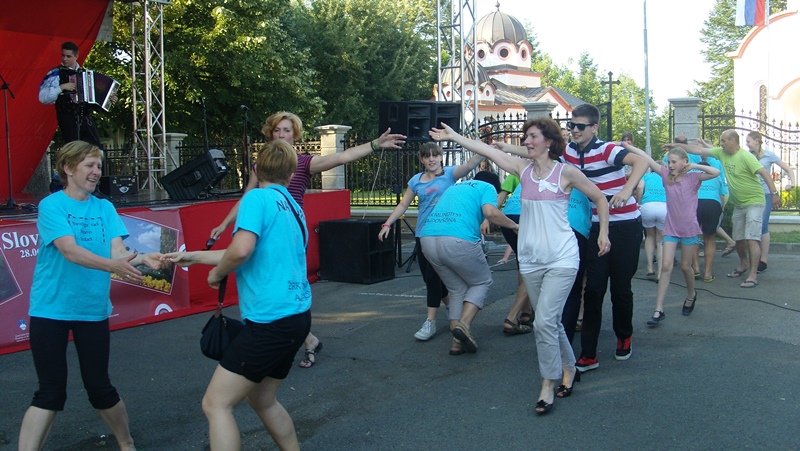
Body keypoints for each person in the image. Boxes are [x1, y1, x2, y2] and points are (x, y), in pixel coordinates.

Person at [430, 118, 610, 415]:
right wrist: (454, 136)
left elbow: (600, 198)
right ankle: (569, 367)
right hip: (530, 258)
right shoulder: (522, 170)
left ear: (548, 141)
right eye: (525, 137)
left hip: (562, 257)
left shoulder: (566, 172)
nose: (526, 141)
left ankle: (548, 382)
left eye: (532, 136)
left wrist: (603, 232)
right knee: (550, 322)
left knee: (543, 322)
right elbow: (486, 150)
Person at [211, 111, 405, 368]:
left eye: (287, 130)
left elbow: (341, 157)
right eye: (277, 130)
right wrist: (224, 223)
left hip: (289, 234)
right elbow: (247, 196)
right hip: (267, 232)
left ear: (295, 135)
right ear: (270, 133)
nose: (281, 135)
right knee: (272, 286)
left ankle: (287, 339)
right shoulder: (261, 166)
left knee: (286, 286)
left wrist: (374, 145)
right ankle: (304, 339)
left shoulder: (302, 163)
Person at [163, 140, 311, 450]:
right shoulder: (294, 208)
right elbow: (248, 252)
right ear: (291, 174)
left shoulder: (256, 198)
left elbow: (241, 250)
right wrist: (191, 257)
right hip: (296, 318)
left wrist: (216, 274)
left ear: (256, 169)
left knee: (215, 404)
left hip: (270, 321)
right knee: (263, 400)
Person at [18, 141, 163, 451]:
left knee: (99, 388)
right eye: (89, 165)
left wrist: (143, 258)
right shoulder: (51, 206)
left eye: (98, 165)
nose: (96, 172)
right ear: (68, 168)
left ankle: (126, 444)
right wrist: (114, 266)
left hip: (92, 309)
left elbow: (118, 253)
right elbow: (70, 251)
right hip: (50, 308)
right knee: (50, 392)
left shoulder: (104, 208)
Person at [563, 104, 647, 370]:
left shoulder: (606, 149)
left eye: (580, 126)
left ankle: (624, 336)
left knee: (621, 289)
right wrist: (499, 148)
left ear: (594, 128)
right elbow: (538, 152)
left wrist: (626, 190)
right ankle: (589, 353)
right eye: (572, 125)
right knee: (594, 290)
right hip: (598, 227)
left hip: (626, 226)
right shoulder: (569, 151)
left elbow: (641, 162)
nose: (575, 130)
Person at [378, 142, 483, 341]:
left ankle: (430, 321)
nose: (431, 159)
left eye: (435, 155)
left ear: (441, 157)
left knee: (433, 278)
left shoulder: (450, 174)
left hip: (445, 233)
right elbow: (403, 204)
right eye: (427, 156)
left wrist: (486, 150)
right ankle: (452, 308)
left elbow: (470, 165)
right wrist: (387, 224)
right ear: (422, 159)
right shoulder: (416, 180)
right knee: (429, 279)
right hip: (423, 235)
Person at [418, 173, 520, 356]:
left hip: (427, 239)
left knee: (456, 289)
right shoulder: (487, 187)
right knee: (481, 282)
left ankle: (457, 342)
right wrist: (514, 226)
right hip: (458, 239)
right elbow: (491, 212)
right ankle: (463, 326)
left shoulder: (455, 187)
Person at [663, 130, 780, 288]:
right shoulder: (721, 153)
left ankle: (753, 275)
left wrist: (774, 193)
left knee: (751, 238)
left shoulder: (746, 156)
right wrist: (675, 145)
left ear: (733, 141)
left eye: (723, 140)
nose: (721, 143)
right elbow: (698, 150)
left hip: (754, 202)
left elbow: (764, 172)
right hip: (739, 204)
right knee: (738, 239)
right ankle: (743, 264)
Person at [625, 145, 719, 324]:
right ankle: (658, 310)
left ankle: (691, 294)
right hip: (671, 228)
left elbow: (715, 172)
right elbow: (646, 157)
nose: (670, 165)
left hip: (689, 229)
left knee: (685, 267)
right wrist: (626, 146)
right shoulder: (665, 175)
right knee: (666, 266)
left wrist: (694, 166)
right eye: (669, 162)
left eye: (674, 162)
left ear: (684, 162)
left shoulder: (693, 178)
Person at [745, 131, 796, 273]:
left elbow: (787, 169)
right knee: (753, 226)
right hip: (752, 195)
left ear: (757, 141)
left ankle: (763, 260)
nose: (747, 144)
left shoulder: (769, 155)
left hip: (766, 194)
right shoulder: (748, 156)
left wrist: (792, 183)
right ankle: (754, 258)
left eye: (748, 141)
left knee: (763, 225)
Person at [38, 42, 104, 147]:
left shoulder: (85, 74)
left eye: (68, 56)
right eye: (63, 55)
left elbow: (93, 100)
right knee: (74, 151)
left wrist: (108, 100)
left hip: (85, 119)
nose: (65, 59)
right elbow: (43, 97)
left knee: (95, 148)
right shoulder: (56, 73)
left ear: (76, 56)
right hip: (68, 120)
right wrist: (61, 87)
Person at [693, 161, 728, 283]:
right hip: (713, 204)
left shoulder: (693, 174)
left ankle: (695, 269)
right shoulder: (717, 177)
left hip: (695, 203)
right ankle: (707, 274)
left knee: (693, 237)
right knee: (709, 239)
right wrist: (719, 211)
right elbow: (722, 197)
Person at [637, 162, 667, 279]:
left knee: (650, 236)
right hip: (664, 206)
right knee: (660, 240)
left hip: (648, 205)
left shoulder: (646, 176)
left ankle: (650, 267)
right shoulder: (666, 176)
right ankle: (660, 273)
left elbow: (640, 187)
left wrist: (639, 202)